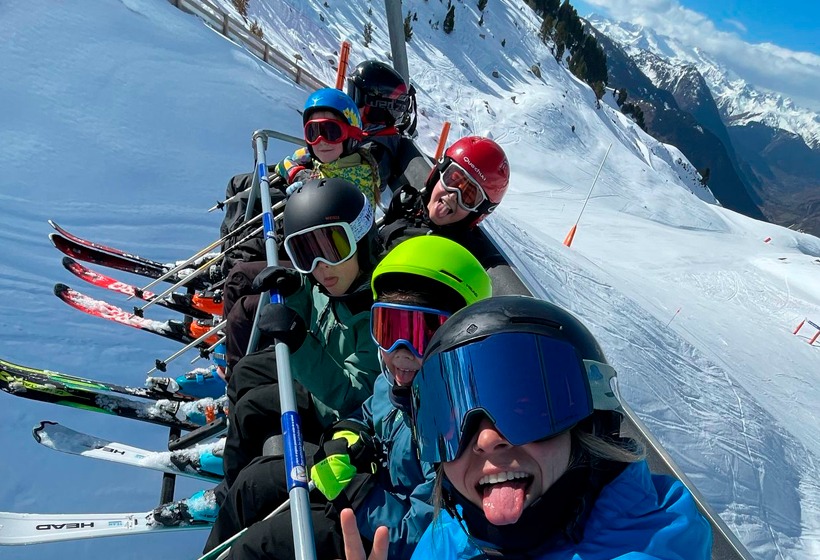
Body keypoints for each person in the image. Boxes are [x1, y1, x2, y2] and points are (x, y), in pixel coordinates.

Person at [203, 235, 493, 559]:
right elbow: (367, 413)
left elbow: (420, 535)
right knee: (254, 482)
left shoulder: (453, 433)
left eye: (421, 335)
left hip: (373, 538)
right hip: (358, 489)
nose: (400, 353)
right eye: (388, 328)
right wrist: (348, 435)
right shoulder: (397, 384)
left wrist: (359, 493)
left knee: (264, 545)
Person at [401, 295, 713, 559]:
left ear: (587, 428)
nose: (485, 439)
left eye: (524, 410)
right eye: (451, 423)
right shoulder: (447, 535)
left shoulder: (652, 542)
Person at [222, 177, 382, 488]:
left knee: (252, 409)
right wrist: (295, 289)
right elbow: (315, 306)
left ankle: (230, 488)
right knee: (245, 371)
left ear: (362, 240)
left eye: (333, 248)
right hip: (317, 370)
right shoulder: (331, 280)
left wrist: (297, 341)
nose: (321, 266)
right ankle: (235, 440)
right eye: (306, 253)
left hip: (333, 404)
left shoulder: (376, 311)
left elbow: (351, 395)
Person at [379, 135, 511, 268]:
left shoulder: (453, 257)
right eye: (453, 180)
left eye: (468, 196)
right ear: (438, 173)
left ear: (478, 211)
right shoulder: (408, 203)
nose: (454, 196)